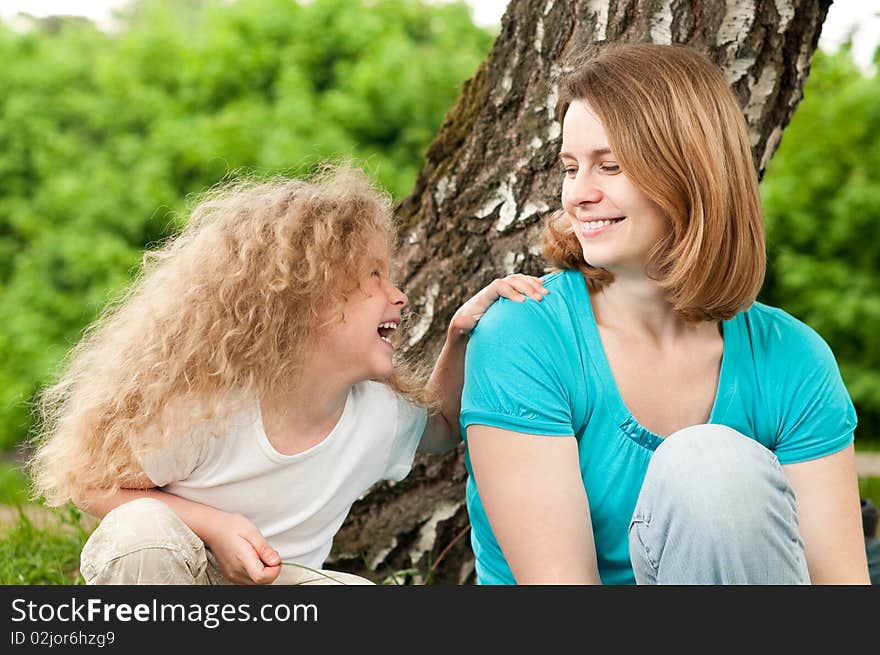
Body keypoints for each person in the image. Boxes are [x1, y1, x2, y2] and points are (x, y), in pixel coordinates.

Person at [460, 43, 870, 585]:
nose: (579, 194)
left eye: (609, 166)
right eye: (569, 167)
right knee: (707, 464)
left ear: (688, 174)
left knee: (710, 466)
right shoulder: (524, 335)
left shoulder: (793, 358)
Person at [27, 164, 547, 585]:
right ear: (306, 302)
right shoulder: (210, 407)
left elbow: (444, 428)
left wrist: (459, 335)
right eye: (373, 276)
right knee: (140, 533)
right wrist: (217, 527)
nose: (399, 296)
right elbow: (94, 486)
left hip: (279, 590)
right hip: (181, 578)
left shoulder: (375, 415)